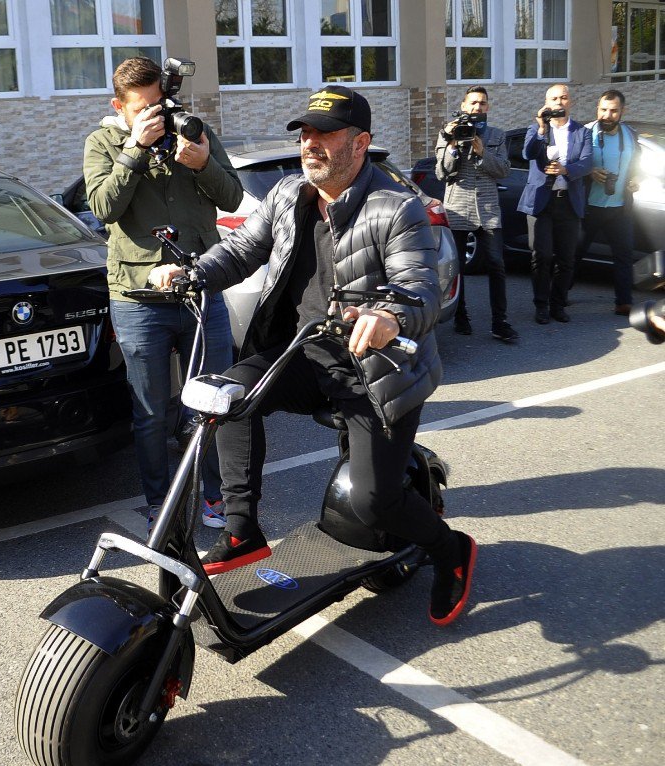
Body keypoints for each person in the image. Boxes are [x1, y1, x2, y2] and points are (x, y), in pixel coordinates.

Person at [150, 85, 477, 626]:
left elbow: (418, 286)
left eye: (325, 135)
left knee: (375, 503)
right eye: (305, 135)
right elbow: (239, 251)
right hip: (306, 353)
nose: (311, 145)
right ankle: (241, 529)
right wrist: (192, 273)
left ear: (361, 143)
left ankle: (451, 552)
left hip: (379, 369)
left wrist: (388, 316)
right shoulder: (286, 195)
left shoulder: (398, 210)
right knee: (226, 396)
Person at [83, 57, 243, 529]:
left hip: (200, 292)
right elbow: (103, 207)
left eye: (162, 104)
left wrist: (203, 163)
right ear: (120, 106)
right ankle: (160, 500)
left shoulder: (195, 132)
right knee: (152, 411)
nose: (157, 115)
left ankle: (213, 494)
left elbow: (232, 197)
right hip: (138, 300)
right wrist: (134, 148)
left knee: (211, 401)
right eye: (144, 108)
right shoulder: (103, 142)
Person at [435, 86, 518, 343]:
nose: (477, 108)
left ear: (488, 107)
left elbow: (504, 169)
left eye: (482, 103)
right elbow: (442, 173)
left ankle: (499, 322)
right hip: (457, 208)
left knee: (497, 265)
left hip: (488, 211)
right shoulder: (447, 133)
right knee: (456, 268)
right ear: (463, 105)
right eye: (473, 103)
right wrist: (451, 145)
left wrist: (482, 151)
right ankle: (461, 317)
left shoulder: (497, 135)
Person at [517, 84, 593, 324]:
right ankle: (541, 305)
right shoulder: (536, 129)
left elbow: (588, 162)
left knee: (566, 258)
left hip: (568, 204)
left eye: (564, 97)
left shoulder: (582, 132)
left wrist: (565, 169)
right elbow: (527, 154)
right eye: (554, 98)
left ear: (570, 102)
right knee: (541, 256)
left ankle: (558, 304)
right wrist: (541, 128)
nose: (559, 102)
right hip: (542, 202)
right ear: (546, 103)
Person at [574, 89, 642, 316]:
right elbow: (572, 165)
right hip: (589, 208)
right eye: (603, 109)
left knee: (623, 256)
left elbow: (637, 165)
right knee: (574, 253)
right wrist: (589, 171)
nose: (607, 115)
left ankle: (624, 302)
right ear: (597, 109)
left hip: (620, 208)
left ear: (623, 111)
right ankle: (558, 296)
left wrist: (636, 179)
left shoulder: (631, 135)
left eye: (613, 111)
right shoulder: (584, 133)